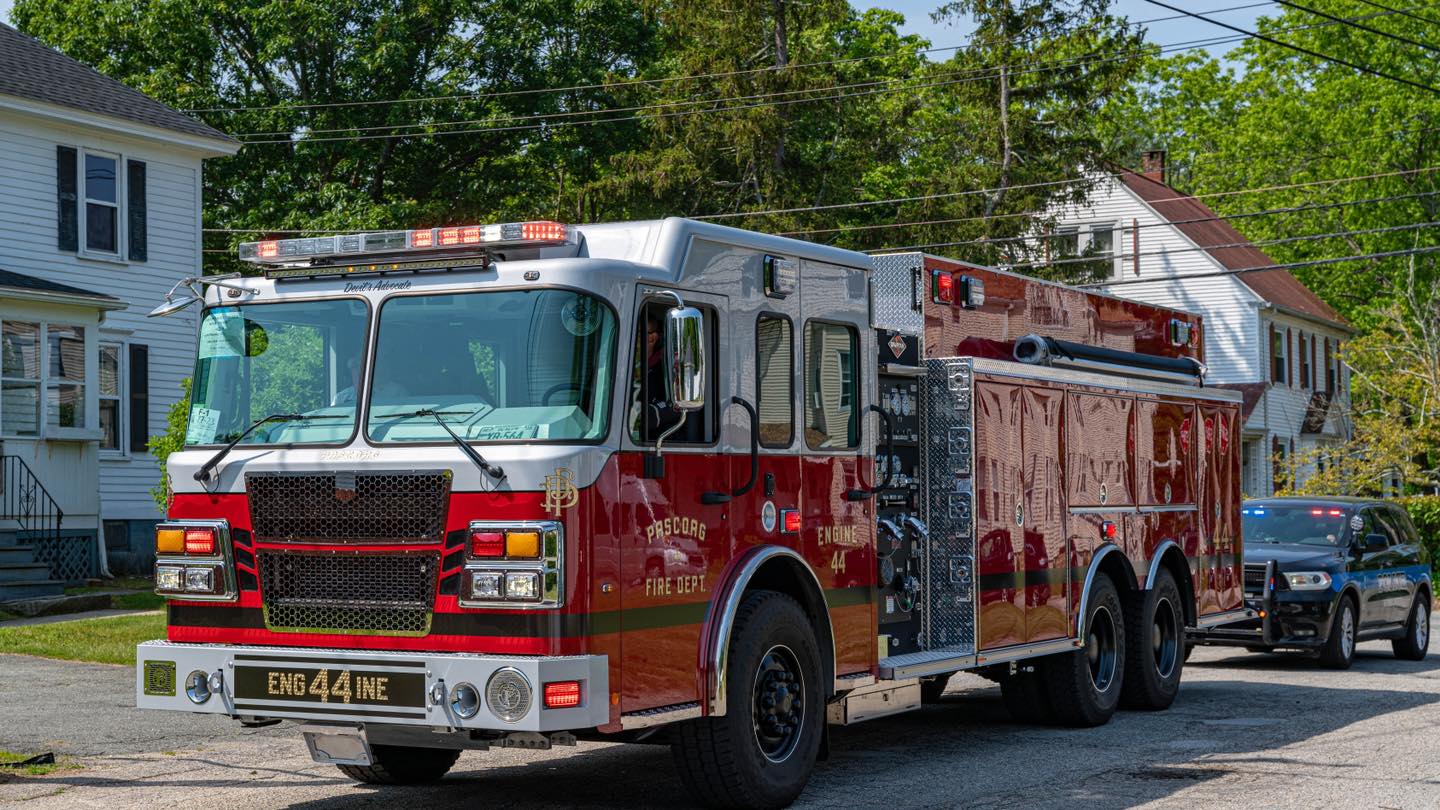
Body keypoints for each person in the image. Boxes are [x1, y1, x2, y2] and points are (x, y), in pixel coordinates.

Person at [637, 311, 681, 440]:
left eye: (636, 334)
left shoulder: (669, 369)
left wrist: (643, 415)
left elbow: (676, 404)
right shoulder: (621, 367)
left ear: (652, 338)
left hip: (657, 445)